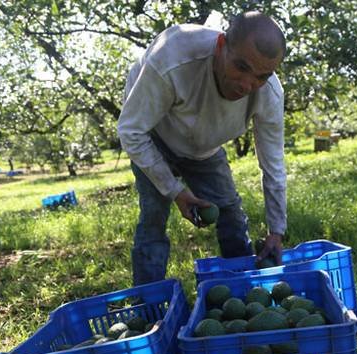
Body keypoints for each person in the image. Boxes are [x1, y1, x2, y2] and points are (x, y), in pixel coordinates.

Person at [117, 11, 287, 286]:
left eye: (261, 76)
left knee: (229, 211)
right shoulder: (172, 58)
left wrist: (276, 231)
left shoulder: (268, 93)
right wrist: (176, 191)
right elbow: (131, 131)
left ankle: (244, 288)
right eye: (241, 67)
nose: (248, 85)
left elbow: (274, 164)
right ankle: (149, 301)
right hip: (153, 135)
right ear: (221, 47)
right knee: (154, 216)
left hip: (204, 147)